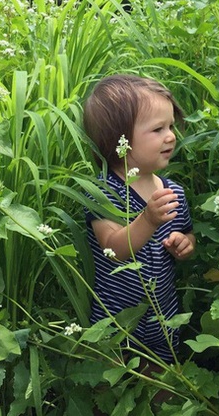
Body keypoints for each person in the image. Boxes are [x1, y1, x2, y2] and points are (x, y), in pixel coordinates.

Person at [83, 74, 196, 363]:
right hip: (117, 319)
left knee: (163, 384)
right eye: (157, 129)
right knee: (109, 387)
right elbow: (113, 249)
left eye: (171, 126)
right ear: (118, 140)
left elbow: (187, 231)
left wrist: (185, 244)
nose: (171, 136)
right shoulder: (104, 192)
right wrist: (147, 219)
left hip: (163, 315)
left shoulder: (173, 192)